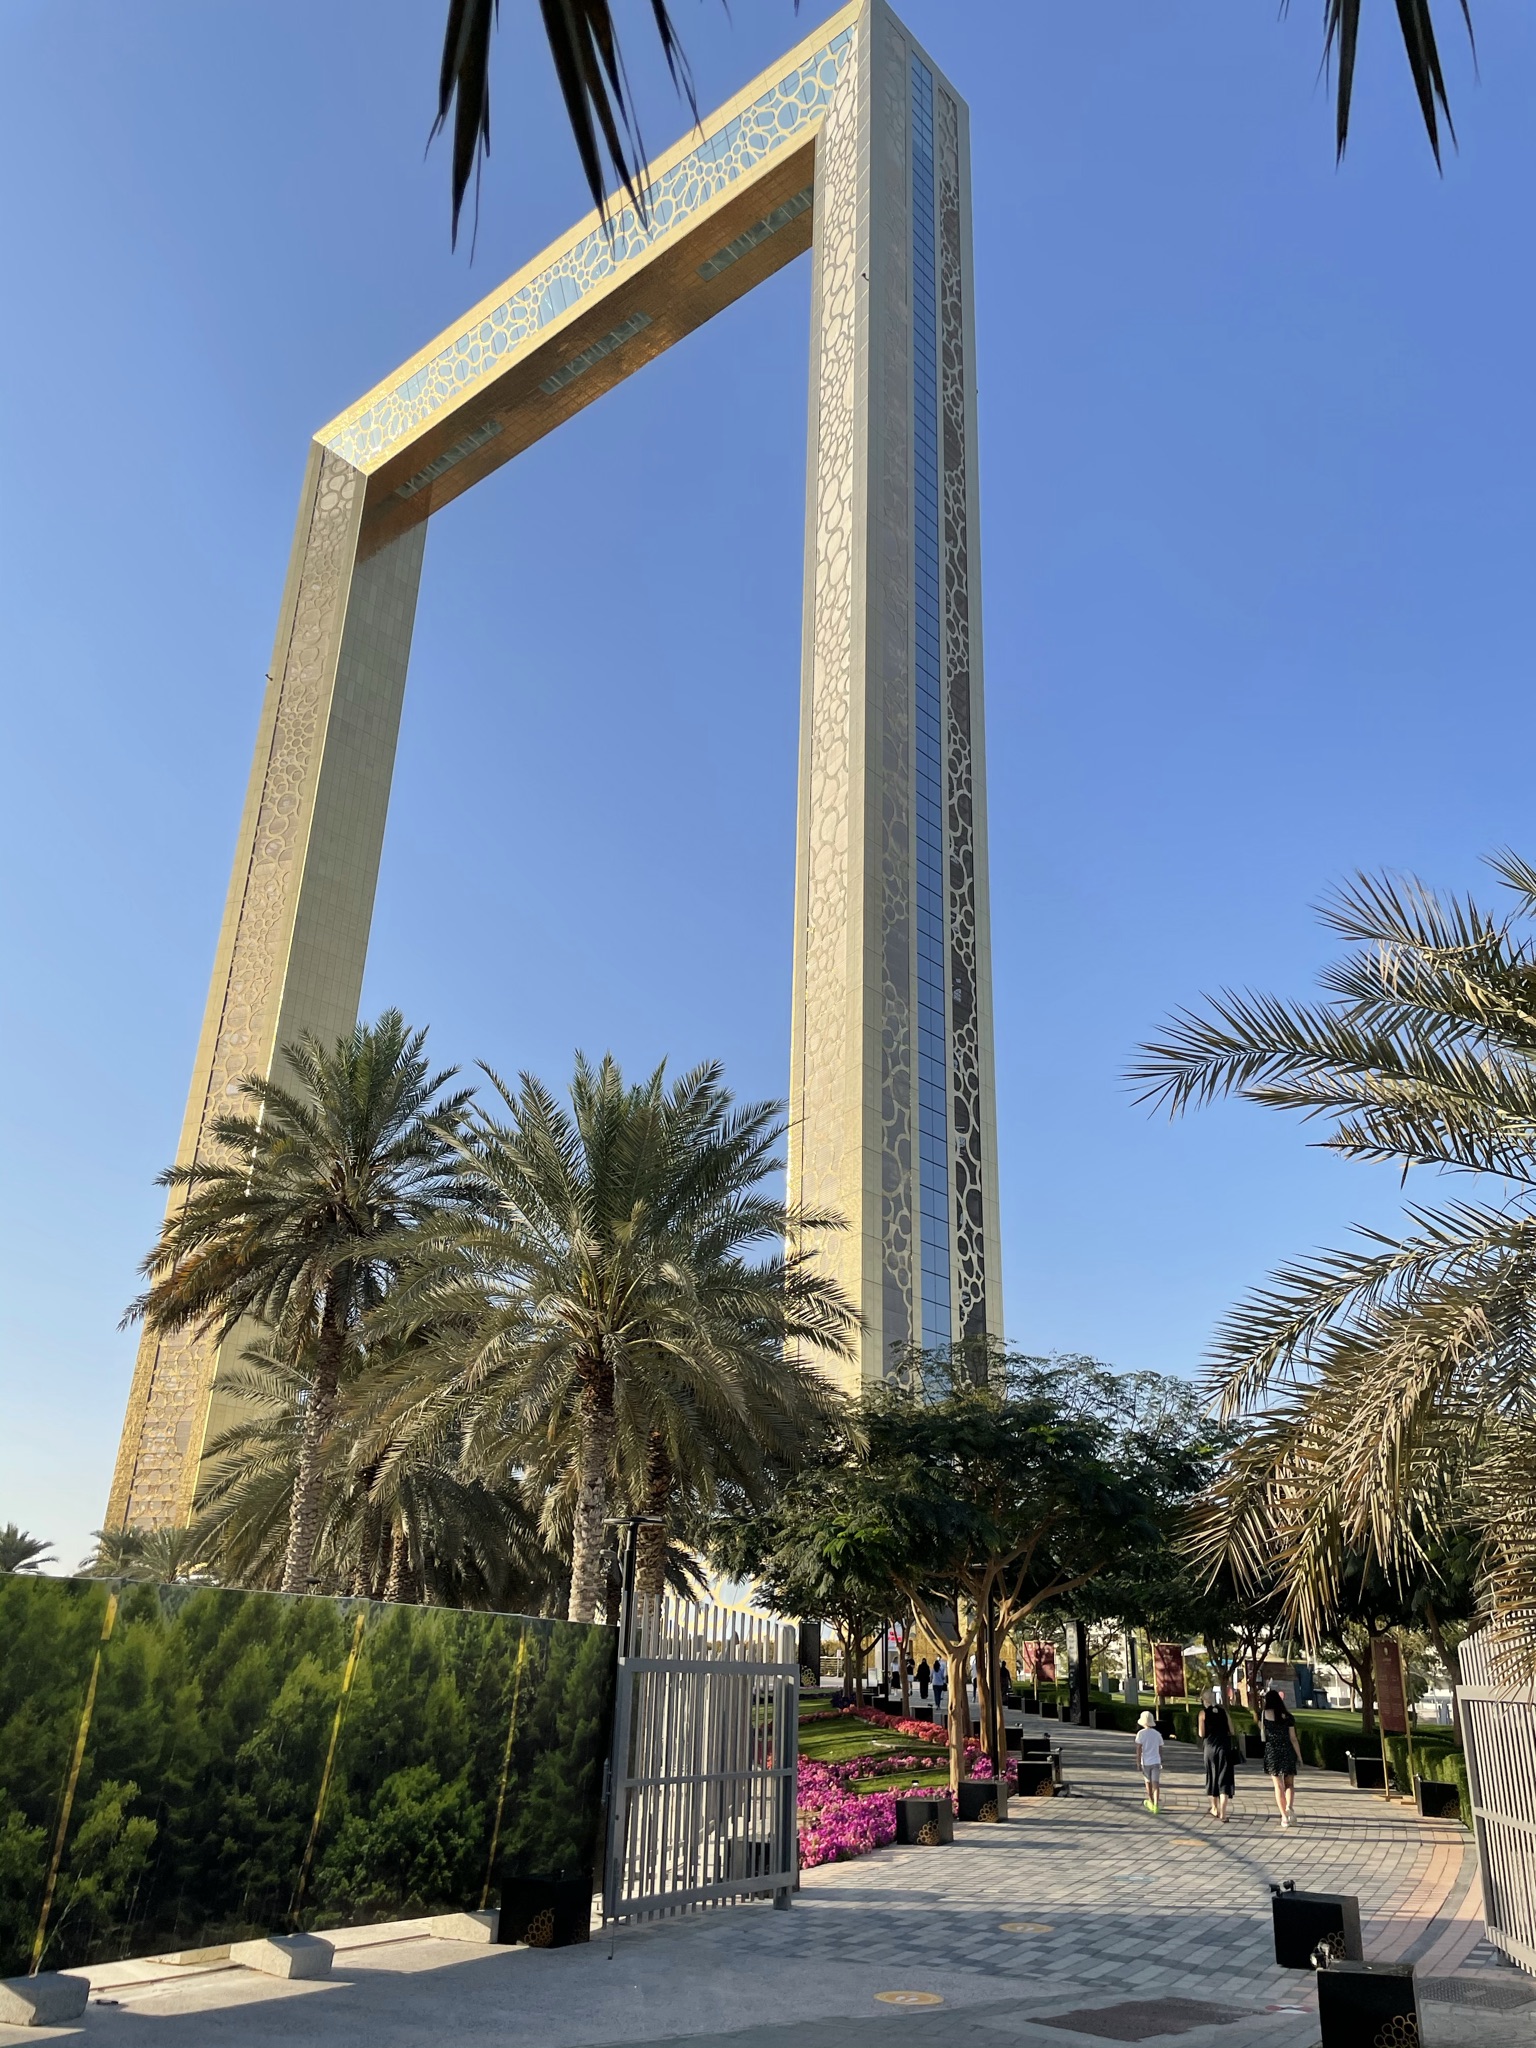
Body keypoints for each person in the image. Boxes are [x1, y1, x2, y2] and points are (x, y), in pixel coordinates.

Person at [1260, 1687, 1301, 1829]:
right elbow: (1293, 1738)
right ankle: (1289, 1806)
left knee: (1278, 1786)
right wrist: (1299, 1756)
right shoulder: (1288, 1717)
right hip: (1287, 1751)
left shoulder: (1264, 1714)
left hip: (1272, 1752)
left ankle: (1284, 1817)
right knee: (1289, 1784)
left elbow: (1262, 1730)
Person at [1199, 1687, 1236, 1823]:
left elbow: (1201, 1734)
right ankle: (1223, 1814)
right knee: (1224, 1779)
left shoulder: (1203, 1714)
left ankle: (1214, 1807)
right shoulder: (1223, 1712)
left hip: (1210, 1748)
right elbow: (1232, 1730)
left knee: (1212, 1776)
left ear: (1204, 1701)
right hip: (1224, 1747)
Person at [1135, 1709, 1165, 1815]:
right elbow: (1160, 1748)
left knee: (1148, 1782)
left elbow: (1139, 1749)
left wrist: (1138, 1762)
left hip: (1146, 1761)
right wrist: (1160, 1759)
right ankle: (1156, 1805)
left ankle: (1151, 1801)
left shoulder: (1140, 1734)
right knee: (1156, 1784)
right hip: (1156, 1761)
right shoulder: (1157, 1734)